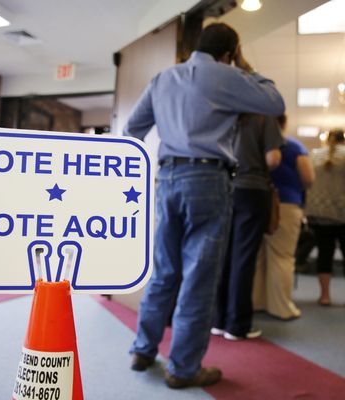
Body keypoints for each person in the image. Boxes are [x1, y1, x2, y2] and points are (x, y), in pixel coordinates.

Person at [123, 22, 285, 389]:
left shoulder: (163, 77)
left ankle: (142, 349)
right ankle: (182, 369)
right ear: (230, 53)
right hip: (209, 181)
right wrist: (242, 68)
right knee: (198, 279)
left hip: (166, 180)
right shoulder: (227, 77)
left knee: (164, 272)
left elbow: (131, 130)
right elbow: (275, 101)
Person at [212, 114, 284, 340]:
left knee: (223, 255)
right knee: (243, 258)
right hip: (252, 189)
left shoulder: (224, 114)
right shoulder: (263, 117)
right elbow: (273, 158)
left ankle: (218, 320)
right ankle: (237, 324)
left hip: (223, 188)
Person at [253, 115, 315, 319]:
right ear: (285, 123)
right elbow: (308, 178)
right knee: (282, 256)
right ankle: (281, 307)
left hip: (257, 203)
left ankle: (257, 301)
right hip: (286, 204)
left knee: (259, 256)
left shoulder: (255, 144)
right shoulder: (293, 146)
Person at [306, 128, 345, 306]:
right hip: (342, 213)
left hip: (320, 213)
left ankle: (325, 296)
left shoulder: (315, 155)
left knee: (324, 254)